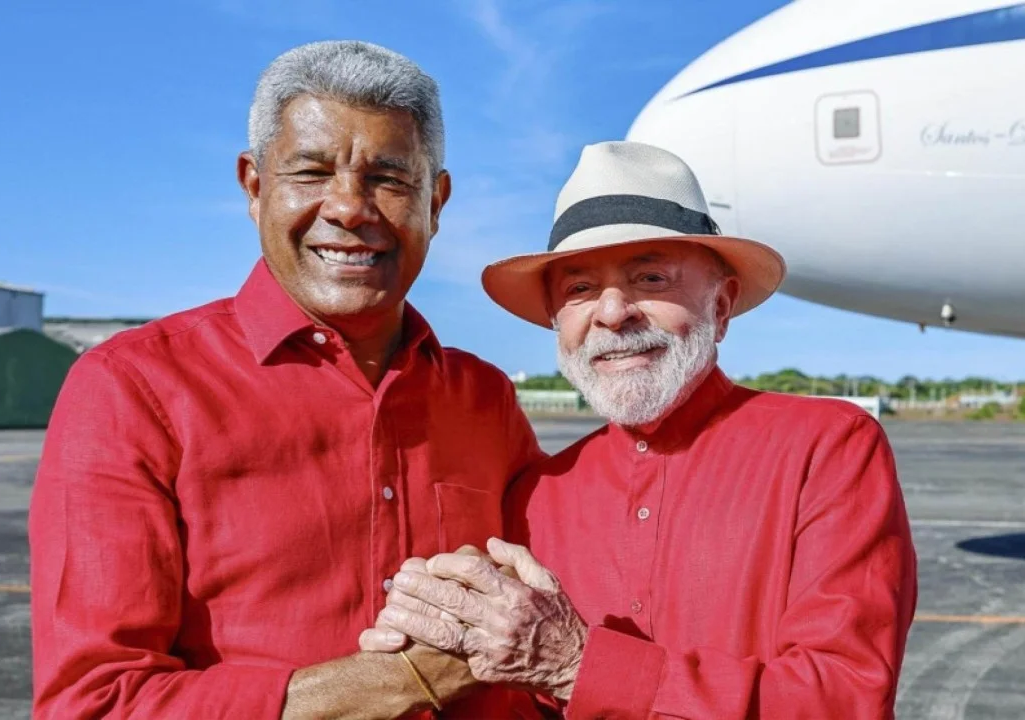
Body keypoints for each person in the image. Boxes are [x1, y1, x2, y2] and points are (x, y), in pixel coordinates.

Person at [29, 41, 544, 719]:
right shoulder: (132, 388)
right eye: (311, 172)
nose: (349, 207)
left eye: (389, 179)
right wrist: (403, 681)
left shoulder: (485, 399)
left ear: (436, 202)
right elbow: (96, 701)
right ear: (253, 186)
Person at [361, 141, 919, 718]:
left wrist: (578, 665)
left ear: (721, 306)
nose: (612, 313)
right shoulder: (537, 495)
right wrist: (430, 641)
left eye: (650, 278)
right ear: (556, 320)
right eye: (579, 289)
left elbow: (844, 697)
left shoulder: (826, 447)